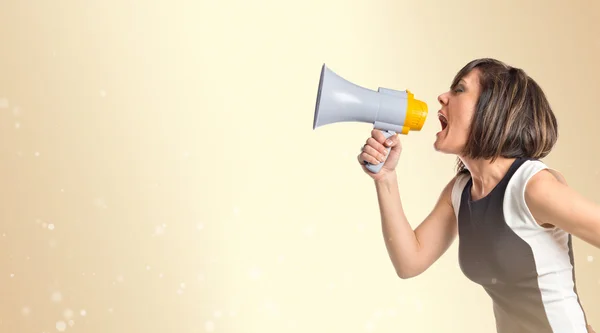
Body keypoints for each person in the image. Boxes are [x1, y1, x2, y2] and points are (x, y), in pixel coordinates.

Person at [357, 58, 598, 333]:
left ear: (493, 110)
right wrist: (385, 177)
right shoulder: (460, 191)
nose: (442, 97)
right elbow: (409, 261)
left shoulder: (532, 186)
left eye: (459, 89)